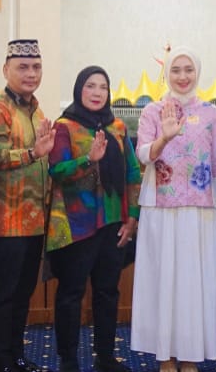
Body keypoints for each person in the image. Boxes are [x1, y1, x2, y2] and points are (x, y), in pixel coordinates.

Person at [131, 48, 216, 372]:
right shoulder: (152, 111)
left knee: (193, 283)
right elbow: (143, 155)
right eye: (176, 70)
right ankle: (165, 357)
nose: (183, 76)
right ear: (167, 74)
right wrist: (164, 138)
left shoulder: (211, 114)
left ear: (197, 73)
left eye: (188, 69)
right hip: (161, 209)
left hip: (200, 211)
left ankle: (189, 355)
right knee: (163, 280)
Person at [47, 66, 140, 372]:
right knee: (71, 294)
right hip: (77, 226)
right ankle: (68, 360)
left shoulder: (117, 127)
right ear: (79, 90)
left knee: (107, 292)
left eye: (103, 87)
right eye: (90, 86)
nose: (97, 93)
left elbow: (132, 172)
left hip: (113, 223)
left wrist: (132, 218)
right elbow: (57, 171)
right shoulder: (65, 127)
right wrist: (89, 159)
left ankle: (105, 357)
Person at [0, 39, 56, 372]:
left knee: (23, 294)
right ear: (6, 69)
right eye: (23, 67)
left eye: (36, 66)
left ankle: (16, 357)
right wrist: (34, 153)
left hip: (35, 220)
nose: (31, 73)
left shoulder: (36, 110)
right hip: (7, 220)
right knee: (4, 295)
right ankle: (0, 362)